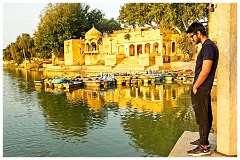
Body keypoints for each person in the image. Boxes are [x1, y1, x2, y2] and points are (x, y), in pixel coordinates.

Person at [186, 22, 219, 156]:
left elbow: (205, 70)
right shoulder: (208, 46)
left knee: (203, 116)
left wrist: (196, 85)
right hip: (203, 87)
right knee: (203, 115)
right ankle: (203, 139)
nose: (192, 39)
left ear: (199, 33)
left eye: (192, 36)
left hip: (201, 88)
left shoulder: (208, 47)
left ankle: (204, 146)